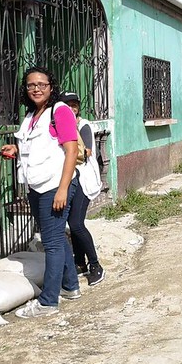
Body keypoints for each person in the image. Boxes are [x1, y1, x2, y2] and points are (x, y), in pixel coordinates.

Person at [1, 67, 83, 318]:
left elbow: (71, 151)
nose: (36, 89)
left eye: (41, 84)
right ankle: (71, 287)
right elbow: (40, 146)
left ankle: (48, 302)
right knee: (57, 238)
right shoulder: (32, 115)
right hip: (36, 187)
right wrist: (16, 150)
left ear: (51, 86)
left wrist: (63, 189)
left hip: (54, 187)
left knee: (52, 243)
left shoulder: (60, 111)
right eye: (30, 85)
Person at [60, 92, 105, 286]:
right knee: (72, 223)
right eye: (67, 105)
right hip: (68, 179)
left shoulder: (83, 126)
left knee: (77, 223)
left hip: (84, 179)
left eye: (74, 104)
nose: (72, 108)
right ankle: (80, 262)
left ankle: (95, 265)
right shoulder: (59, 126)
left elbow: (84, 152)